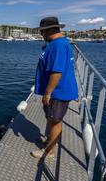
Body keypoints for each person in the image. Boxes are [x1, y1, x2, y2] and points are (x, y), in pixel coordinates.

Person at [30, 16, 78, 159]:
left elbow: (56, 72)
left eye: (42, 32)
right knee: (51, 118)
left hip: (58, 92)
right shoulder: (59, 44)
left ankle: (49, 152)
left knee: (55, 121)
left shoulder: (57, 45)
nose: (41, 35)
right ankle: (48, 140)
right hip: (57, 91)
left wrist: (48, 93)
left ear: (49, 30)